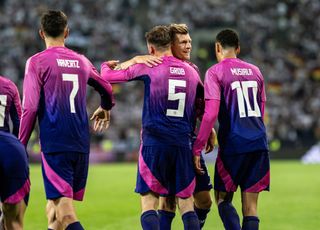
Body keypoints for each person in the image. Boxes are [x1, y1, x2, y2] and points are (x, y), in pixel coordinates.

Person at [19, 10, 114, 230]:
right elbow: (107, 88)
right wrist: (105, 106)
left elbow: (30, 107)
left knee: (65, 213)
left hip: (56, 142)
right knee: (53, 213)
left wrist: (20, 144)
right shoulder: (81, 61)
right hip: (80, 143)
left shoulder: (36, 62)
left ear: (41, 33)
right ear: (67, 32)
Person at [101, 25, 201, 230]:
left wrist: (108, 64)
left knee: (149, 202)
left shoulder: (149, 65)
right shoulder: (192, 71)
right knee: (186, 202)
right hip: (183, 143)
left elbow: (108, 77)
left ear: (151, 49)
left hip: (154, 143)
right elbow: (204, 106)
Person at [193, 29, 270, 230]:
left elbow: (209, 115)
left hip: (233, 145)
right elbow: (261, 112)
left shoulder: (215, 72)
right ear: (238, 48)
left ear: (217, 47)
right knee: (251, 208)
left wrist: (197, 147)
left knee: (223, 200)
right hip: (258, 143)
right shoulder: (256, 71)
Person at [0, 76, 30, 230]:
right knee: (13, 221)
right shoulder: (8, 85)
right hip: (10, 149)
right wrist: (20, 150)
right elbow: (20, 121)